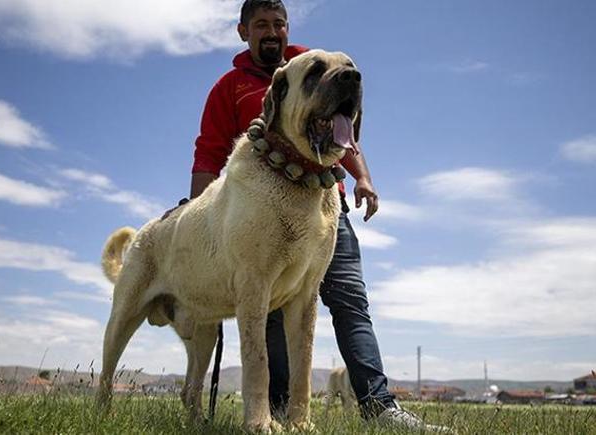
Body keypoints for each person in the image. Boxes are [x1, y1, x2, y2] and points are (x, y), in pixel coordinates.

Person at [190, 0, 448, 431]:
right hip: (261, 215)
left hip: (328, 207)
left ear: (288, 28)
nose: (271, 32)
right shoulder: (229, 87)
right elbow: (209, 153)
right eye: (261, 25)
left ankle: (379, 406)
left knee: (349, 299)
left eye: (278, 24)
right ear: (243, 32)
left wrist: (363, 180)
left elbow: (344, 134)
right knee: (269, 309)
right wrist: (198, 215)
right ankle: (274, 410)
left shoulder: (318, 69)